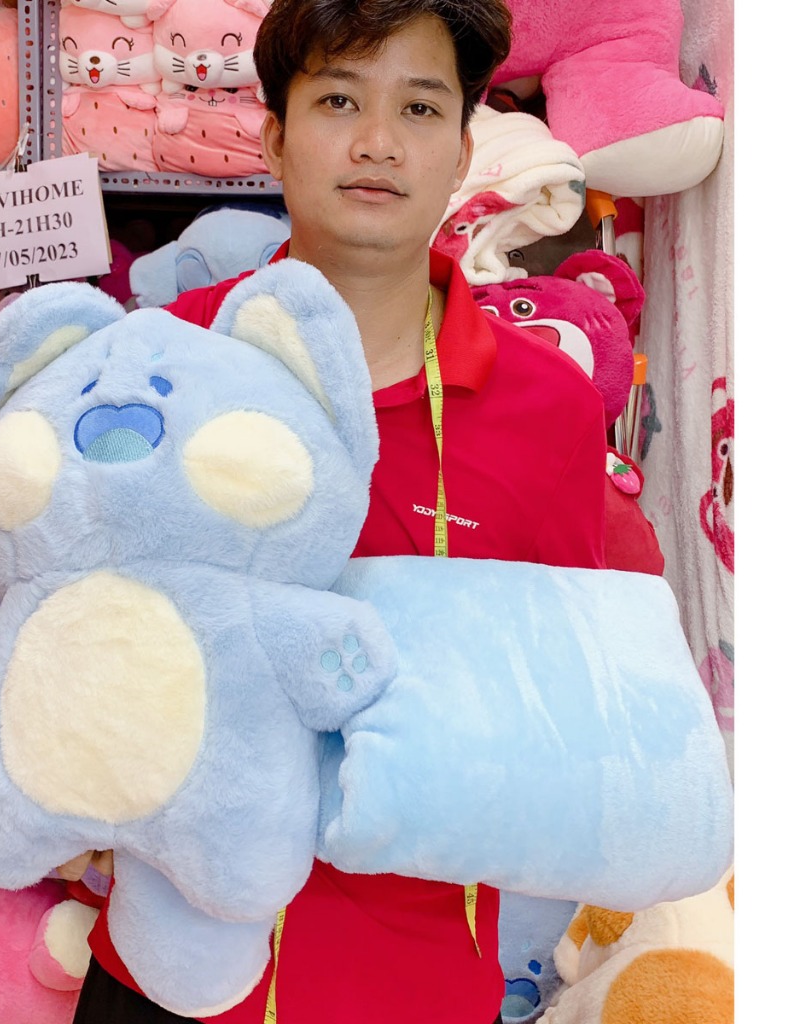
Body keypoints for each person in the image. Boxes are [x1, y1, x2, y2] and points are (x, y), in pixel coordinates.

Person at [71, 1, 607, 1021]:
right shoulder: (160, 363)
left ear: (462, 151)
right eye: (338, 101)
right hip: (169, 971)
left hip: (412, 983)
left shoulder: (552, 412)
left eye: (420, 107)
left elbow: (561, 704)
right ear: (274, 138)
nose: (377, 142)